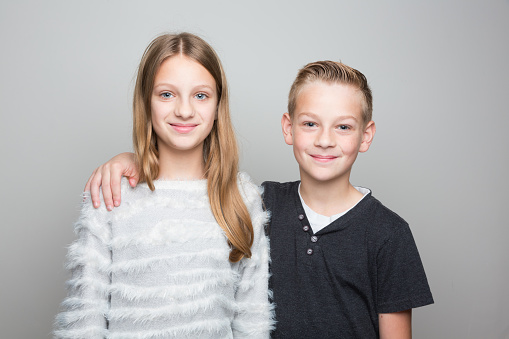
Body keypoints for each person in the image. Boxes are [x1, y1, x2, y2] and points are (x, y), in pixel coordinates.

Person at [84, 60, 434, 338]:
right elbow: (196, 187)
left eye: (343, 127)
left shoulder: (389, 233)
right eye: (310, 124)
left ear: (365, 135)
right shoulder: (260, 203)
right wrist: (130, 160)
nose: (325, 140)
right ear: (288, 128)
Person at [54, 33, 274, 339]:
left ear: (217, 105)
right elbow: (85, 319)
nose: (184, 111)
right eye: (167, 94)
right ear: (146, 101)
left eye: (201, 95)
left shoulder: (242, 197)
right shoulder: (112, 193)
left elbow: (253, 320)